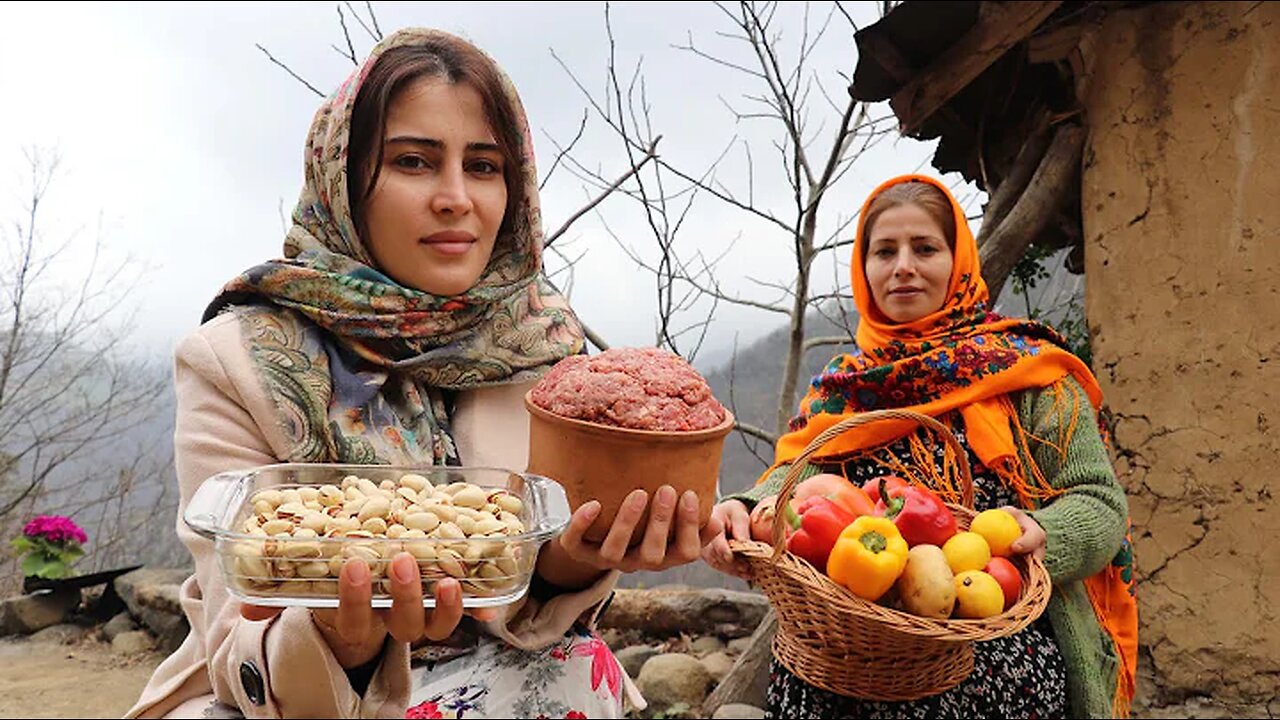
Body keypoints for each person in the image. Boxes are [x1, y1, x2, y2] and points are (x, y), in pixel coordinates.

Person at [127, 28, 718, 719]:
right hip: (294, 703)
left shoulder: (546, 350)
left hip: (501, 677)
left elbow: (524, 590)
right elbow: (237, 633)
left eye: (485, 166)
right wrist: (341, 637)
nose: (455, 198)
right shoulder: (239, 358)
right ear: (344, 179)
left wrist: (575, 557)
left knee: (569, 672)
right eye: (413, 161)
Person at [701, 174, 1138, 719]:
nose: (902, 265)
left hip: (992, 638)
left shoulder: (1029, 373)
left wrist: (1045, 533)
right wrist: (744, 508)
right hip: (846, 651)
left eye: (925, 248)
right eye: (884, 251)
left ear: (957, 262)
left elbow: (1100, 503)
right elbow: (795, 477)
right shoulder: (844, 390)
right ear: (864, 270)